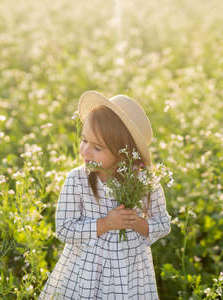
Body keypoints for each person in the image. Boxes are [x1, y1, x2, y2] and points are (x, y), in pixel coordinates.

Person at [39, 91, 172, 300]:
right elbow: (64, 229)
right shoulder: (77, 180)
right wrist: (105, 224)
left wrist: (137, 223)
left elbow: (163, 224)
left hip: (129, 272)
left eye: (97, 147)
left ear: (123, 153)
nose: (85, 151)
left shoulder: (144, 182)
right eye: (84, 140)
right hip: (85, 270)